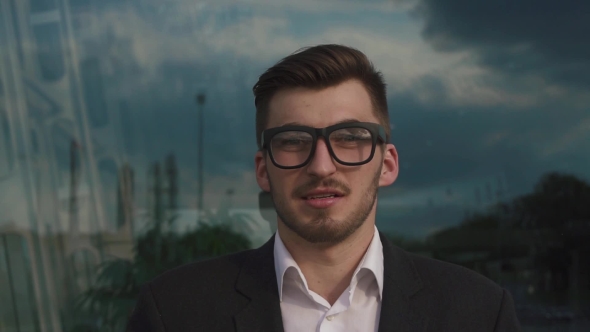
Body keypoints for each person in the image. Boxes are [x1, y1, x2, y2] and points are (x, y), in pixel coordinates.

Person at [127, 44, 522, 331]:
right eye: (293, 141)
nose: (322, 165)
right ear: (263, 171)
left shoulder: (481, 314)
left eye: (350, 137)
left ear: (386, 164)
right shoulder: (173, 313)